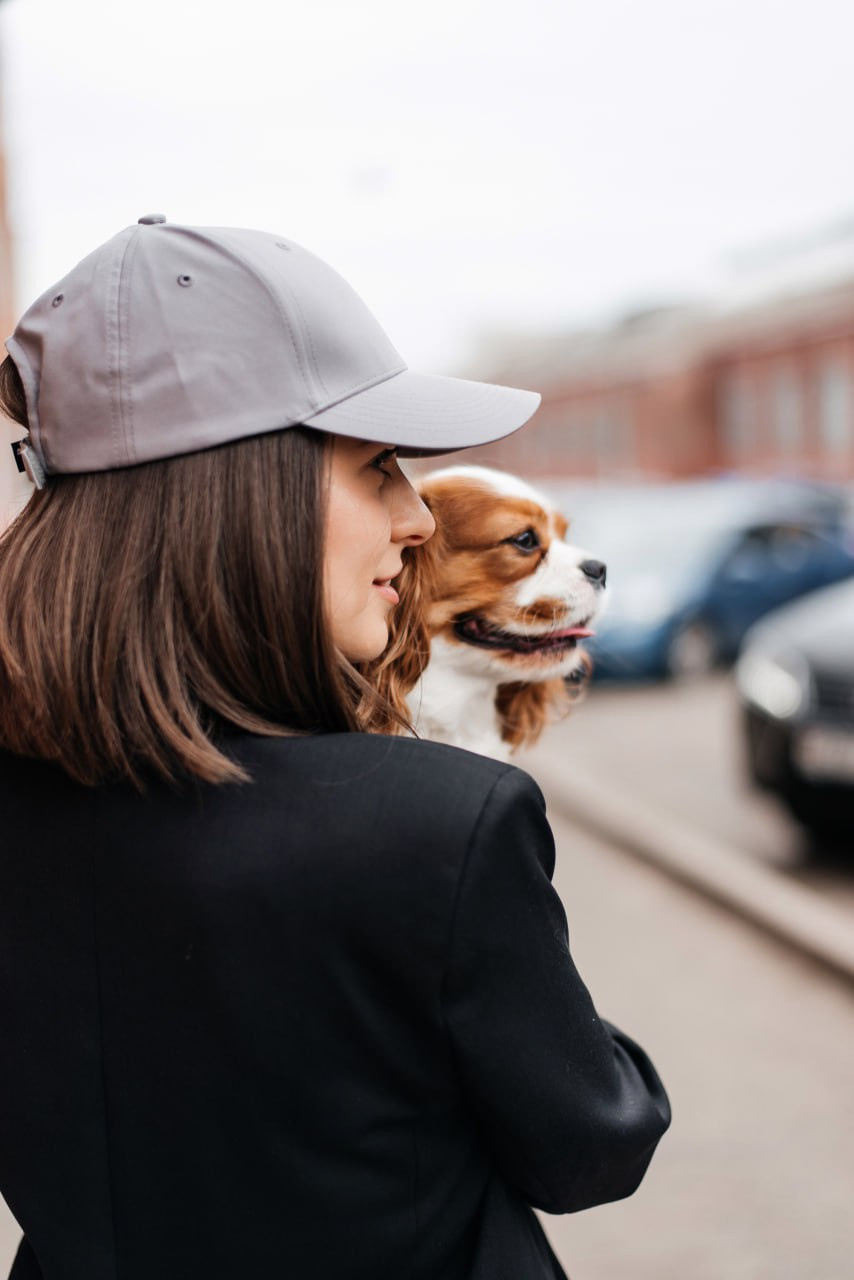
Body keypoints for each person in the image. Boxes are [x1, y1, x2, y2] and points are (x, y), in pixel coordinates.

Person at [0, 215, 670, 1280]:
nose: (412, 515)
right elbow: (591, 1141)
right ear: (237, 496)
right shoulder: (436, 822)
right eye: (376, 468)